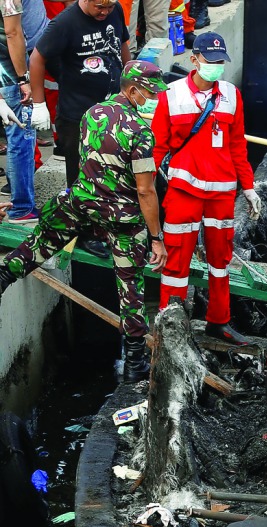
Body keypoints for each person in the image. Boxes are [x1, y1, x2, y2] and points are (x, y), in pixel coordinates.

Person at [0, 60, 167, 380]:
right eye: (151, 93)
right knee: (130, 282)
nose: (155, 100)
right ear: (133, 91)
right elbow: (146, 192)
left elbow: (88, 162)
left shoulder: (93, 113)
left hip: (81, 202)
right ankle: (134, 362)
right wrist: (155, 237)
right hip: (122, 216)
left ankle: (6, 274)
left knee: (44, 238)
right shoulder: (141, 132)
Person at [153, 30, 259, 344]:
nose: (215, 67)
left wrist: (249, 187)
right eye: (209, 61)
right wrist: (141, 189)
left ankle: (219, 322)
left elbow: (238, 145)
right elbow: (157, 148)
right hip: (184, 191)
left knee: (220, 261)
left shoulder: (231, 95)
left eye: (219, 61)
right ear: (194, 59)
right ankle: (170, 327)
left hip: (222, 192)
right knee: (176, 262)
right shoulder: (170, 95)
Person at [28, 0, 130, 188]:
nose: (105, 12)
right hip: (77, 116)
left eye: (109, 7)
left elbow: (122, 43)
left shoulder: (116, 11)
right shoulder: (64, 23)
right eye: (99, 7)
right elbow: (36, 59)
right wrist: (39, 104)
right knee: (80, 180)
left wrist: (129, 80)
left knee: (114, 172)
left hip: (113, 108)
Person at [0, 0, 48, 224]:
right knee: (21, 135)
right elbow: (12, 31)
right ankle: (21, 207)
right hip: (8, 68)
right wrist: (22, 78)